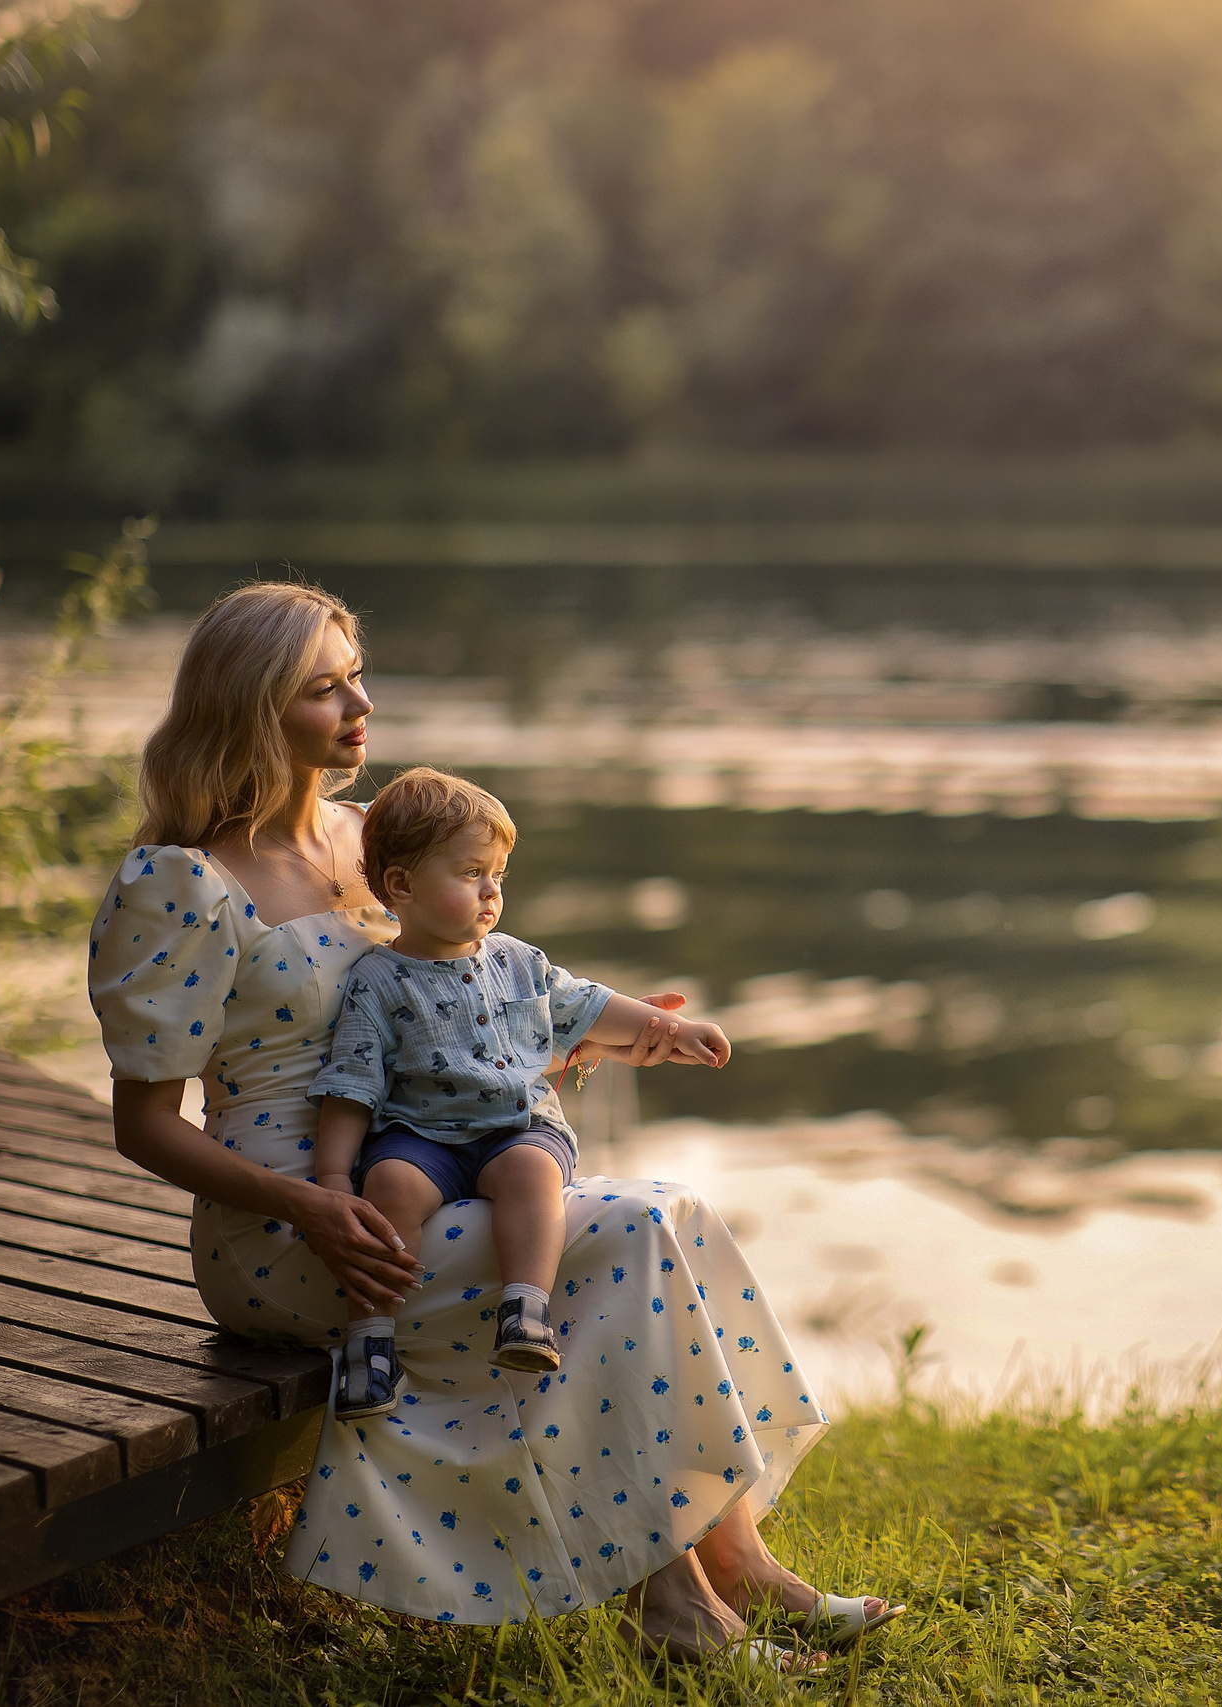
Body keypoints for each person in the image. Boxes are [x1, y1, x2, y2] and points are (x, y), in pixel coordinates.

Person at [90, 582, 901, 1665]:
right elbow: (144, 1127)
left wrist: (601, 1039)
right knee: (624, 1234)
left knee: (667, 1215)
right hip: (300, 1220)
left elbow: (449, 1011)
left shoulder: (365, 837)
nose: (360, 704)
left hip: (429, 1160)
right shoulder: (181, 882)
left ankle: (732, 1562)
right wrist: (308, 1205)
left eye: (355, 677)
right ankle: (681, 1613)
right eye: (325, 689)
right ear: (250, 707)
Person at [309, 766, 732, 1415]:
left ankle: (526, 1310)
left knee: (533, 1171)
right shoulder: (378, 980)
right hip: (422, 1133)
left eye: (497, 876)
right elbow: (352, 1083)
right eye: (471, 873)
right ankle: (371, 1341)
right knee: (388, 1184)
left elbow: (587, 1005)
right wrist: (334, 1173)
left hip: (516, 1124)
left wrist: (672, 1029)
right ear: (402, 884)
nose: (490, 892)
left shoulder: (516, 960)